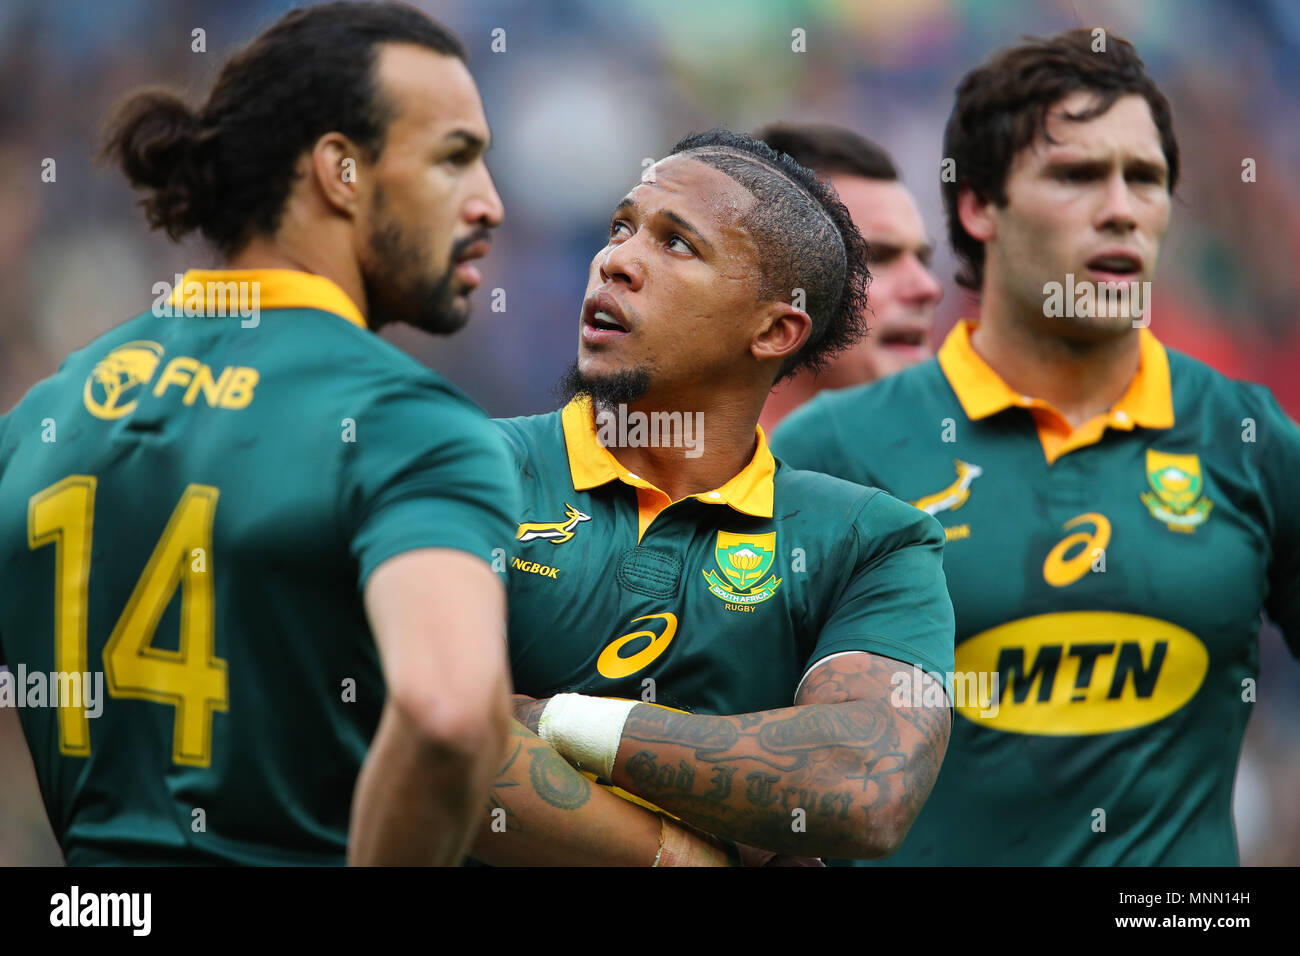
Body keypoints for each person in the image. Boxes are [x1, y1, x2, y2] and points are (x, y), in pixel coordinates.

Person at [0, 2, 518, 866]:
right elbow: (449, 713)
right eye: (455, 157)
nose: (491, 204)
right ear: (339, 171)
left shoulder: (46, 413)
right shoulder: (408, 423)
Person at [772, 28, 1300, 864]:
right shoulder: (835, 451)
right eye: (1077, 175)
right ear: (979, 205)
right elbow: (740, 742)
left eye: (1148, 180)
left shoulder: (1248, 438)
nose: (1122, 206)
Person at [475, 129, 955, 865]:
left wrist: (544, 719)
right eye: (621, 228)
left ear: (774, 329)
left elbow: (863, 784)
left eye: (677, 245)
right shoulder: (464, 471)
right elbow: (414, 736)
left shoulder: (871, 541)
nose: (616, 261)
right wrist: (687, 856)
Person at [755, 123, 943, 431]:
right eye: (878, 257)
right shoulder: (658, 465)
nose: (929, 288)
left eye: (923, 260)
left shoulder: (963, 465)